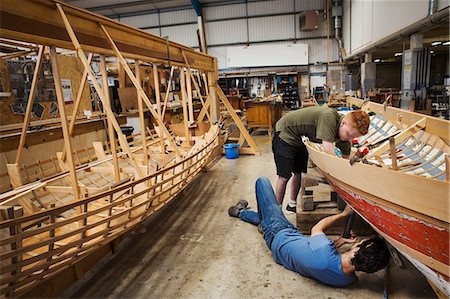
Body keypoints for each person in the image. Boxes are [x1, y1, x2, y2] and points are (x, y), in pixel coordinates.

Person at [228, 177, 389, 287]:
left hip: (280, 234)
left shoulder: (323, 250)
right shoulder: (348, 281)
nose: (359, 242)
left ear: (358, 249)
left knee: (262, 181)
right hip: (284, 250)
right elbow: (325, 257)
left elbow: (316, 229)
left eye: (361, 242)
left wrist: (343, 215)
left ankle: (252, 218)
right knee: (266, 220)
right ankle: (241, 212)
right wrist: (340, 242)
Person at [272, 106, 370, 212]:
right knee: (284, 176)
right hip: (285, 132)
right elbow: (328, 151)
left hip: (299, 137)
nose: (350, 139)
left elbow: (346, 158)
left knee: (298, 172)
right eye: (349, 135)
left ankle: (292, 204)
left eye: (353, 137)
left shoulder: (345, 132)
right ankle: (275, 213)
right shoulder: (329, 117)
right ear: (343, 123)